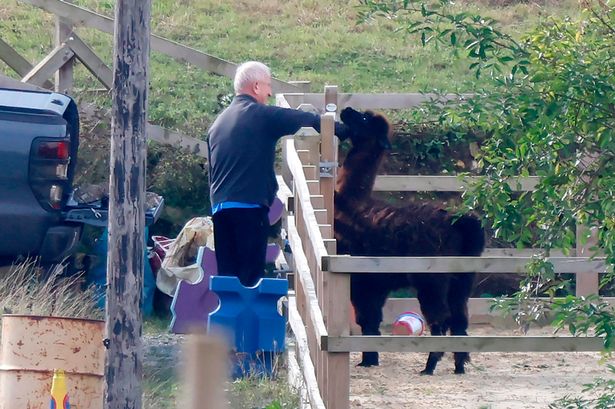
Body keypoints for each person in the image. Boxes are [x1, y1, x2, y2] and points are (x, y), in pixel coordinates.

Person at [207, 61, 353, 287]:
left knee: (228, 280)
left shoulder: (218, 122)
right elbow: (304, 121)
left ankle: (227, 322)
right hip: (249, 208)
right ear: (256, 87)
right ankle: (249, 322)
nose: (270, 92)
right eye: (267, 85)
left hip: (220, 209)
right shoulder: (259, 114)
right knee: (249, 280)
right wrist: (344, 131)